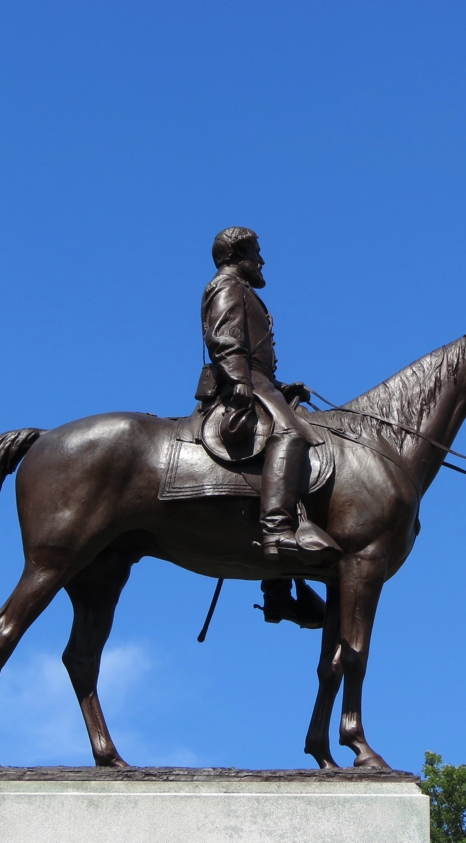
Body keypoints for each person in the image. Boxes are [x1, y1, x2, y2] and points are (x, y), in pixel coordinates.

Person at [201, 227, 336, 626]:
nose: (262, 262)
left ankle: (278, 591)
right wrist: (240, 380)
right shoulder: (227, 286)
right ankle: (277, 531)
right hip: (243, 383)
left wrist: (278, 386)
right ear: (238, 253)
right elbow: (224, 338)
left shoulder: (245, 290)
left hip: (260, 382)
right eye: (256, 253)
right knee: (292, 434)